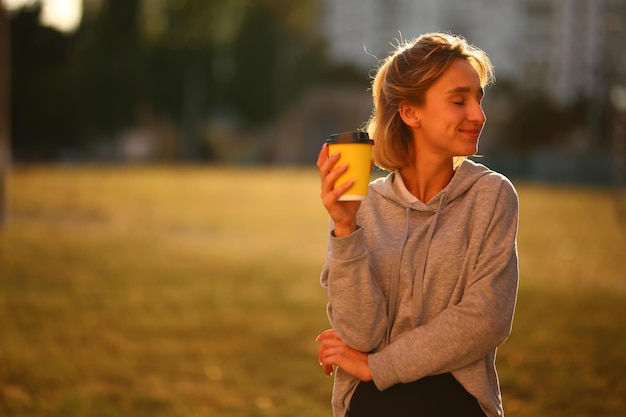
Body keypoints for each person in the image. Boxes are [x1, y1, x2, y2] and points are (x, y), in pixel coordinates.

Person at [315, 32, 519, 417]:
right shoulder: (367, 208)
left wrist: (378, 366)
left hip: (453, 401)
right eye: (459, 100)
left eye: (478, 99)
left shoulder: (491, 196)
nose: (478, 115)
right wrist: (344, 228)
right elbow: (362, 335)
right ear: (411, 113)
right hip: (372, 404)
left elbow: (485, 319)